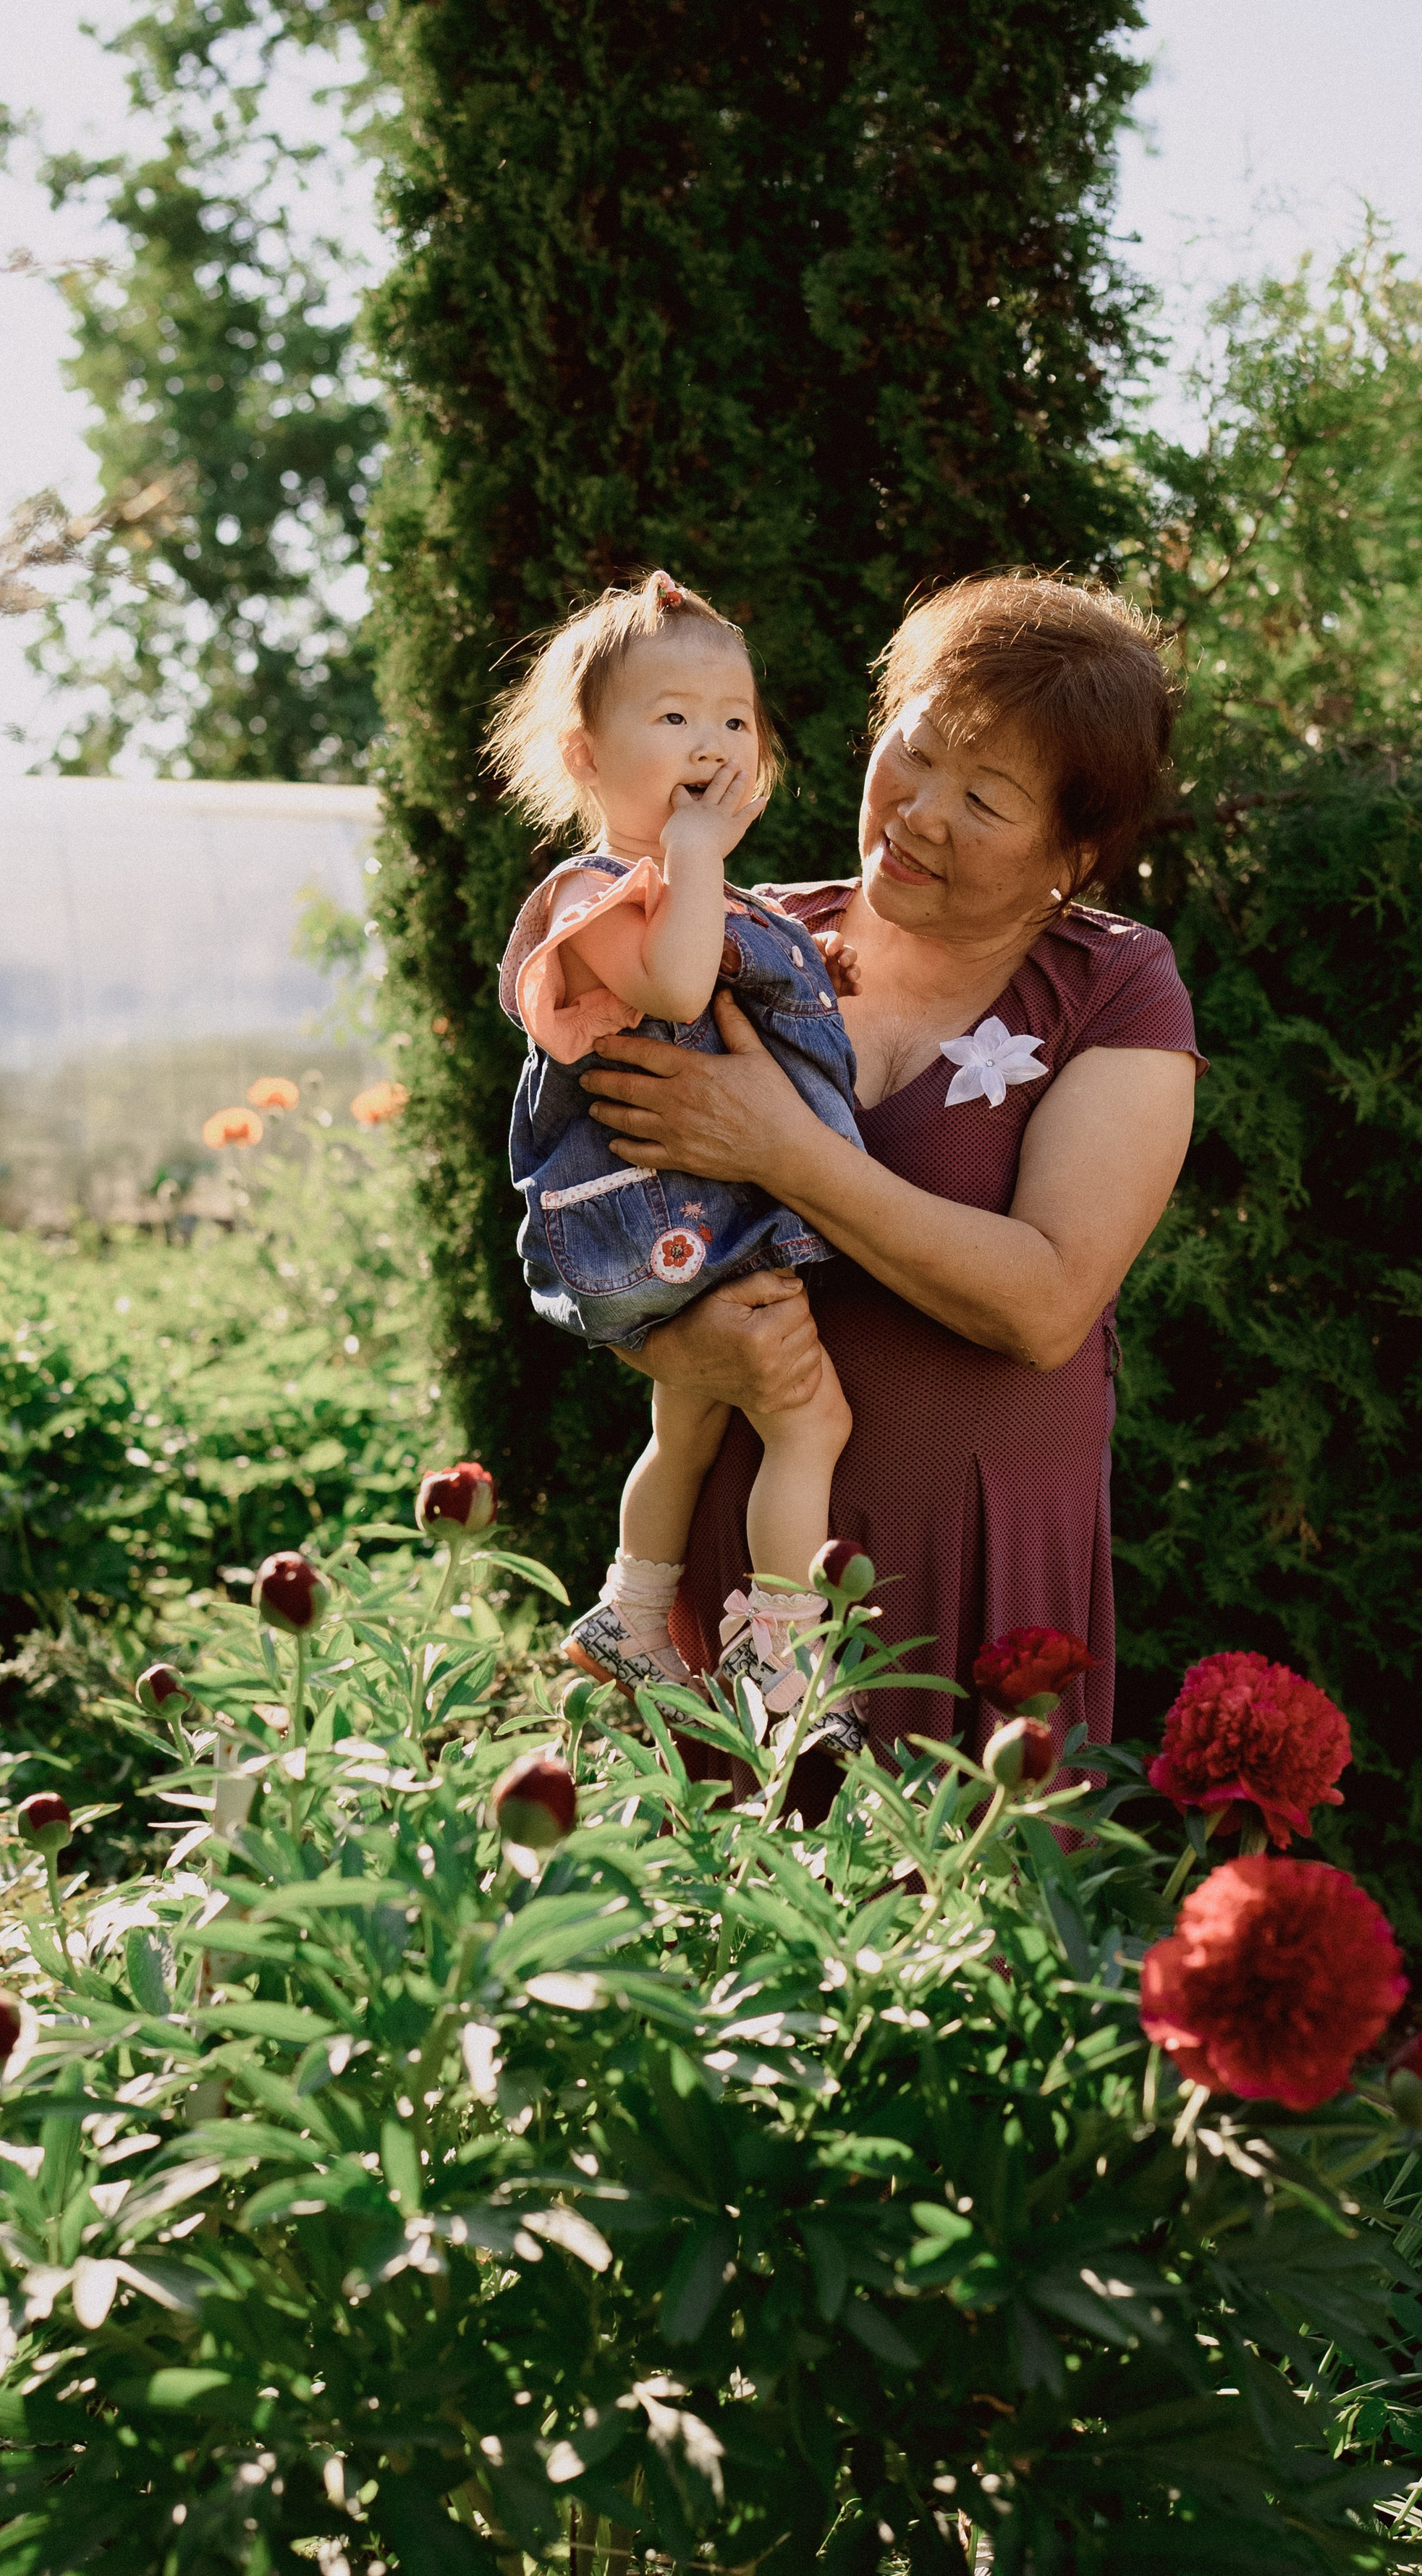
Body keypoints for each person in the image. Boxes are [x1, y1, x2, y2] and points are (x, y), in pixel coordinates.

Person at [575, 572, 1205, 1779]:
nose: (919, 812)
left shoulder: (1115, 989)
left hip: (978, 1566)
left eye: (986, 798)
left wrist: (783, 1149)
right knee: (734, 1933)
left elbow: (1045, 1301)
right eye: (913, 756)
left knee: (951, 1926)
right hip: (747, 1560)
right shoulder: (734, 939)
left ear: (1074, 850)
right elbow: (608, 1224)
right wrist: (669, 1347)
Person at [488, 571, 867, 1745]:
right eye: (672, 717)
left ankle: (631, 1612)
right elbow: (677, 982)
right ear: (585, 755)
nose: (711, 742)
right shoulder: (593, 894)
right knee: (814, 1422)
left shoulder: (711, 891)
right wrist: (699, 852)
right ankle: (788, 1673)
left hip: (699, 1214)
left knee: (689, 1427)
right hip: (669, 1223)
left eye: (735, 719)